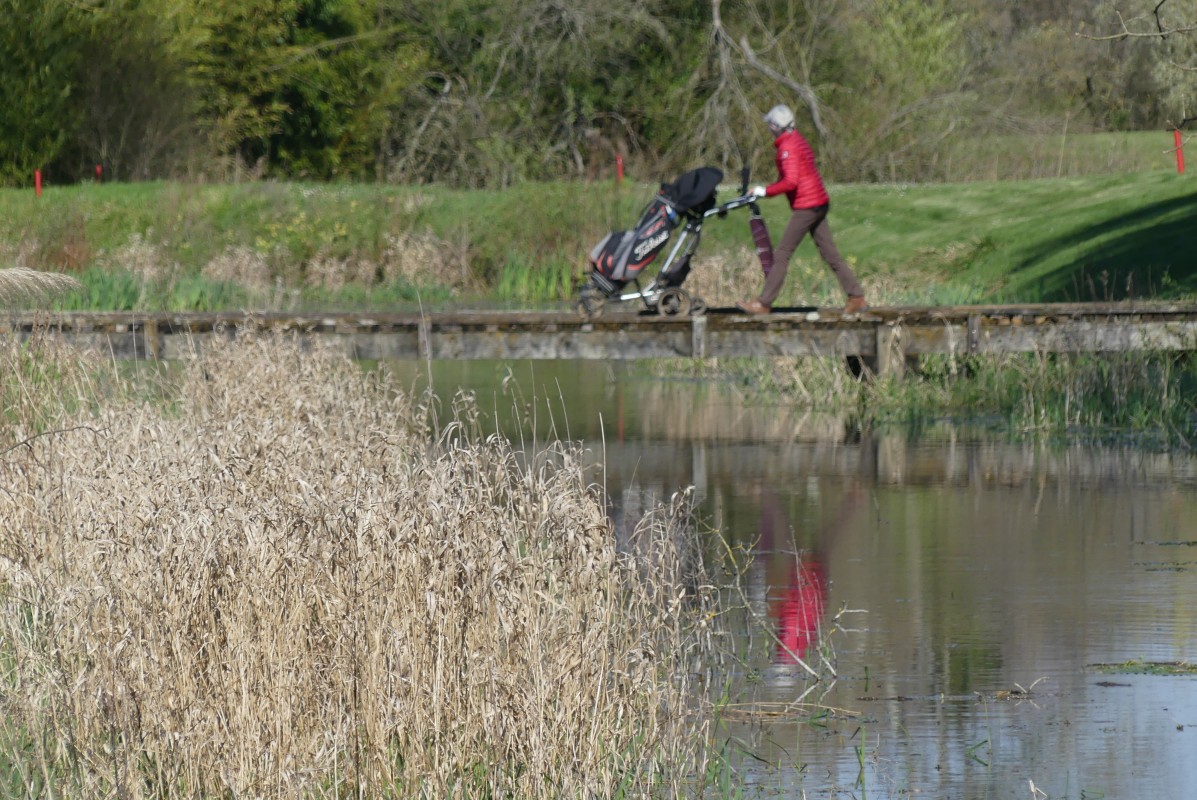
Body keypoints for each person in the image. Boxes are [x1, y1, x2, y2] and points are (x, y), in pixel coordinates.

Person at [737, 104, 868, 316]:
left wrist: (764, 191)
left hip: (807, 206)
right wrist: (766, 190)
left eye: (769, 125)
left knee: (782, 254)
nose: (768, 129)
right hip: (819, 202)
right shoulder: (797, 140)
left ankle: (763, 303)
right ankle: (857, 297)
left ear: (775, 126)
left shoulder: (787, 148)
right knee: (830, 254)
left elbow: (790, 182)